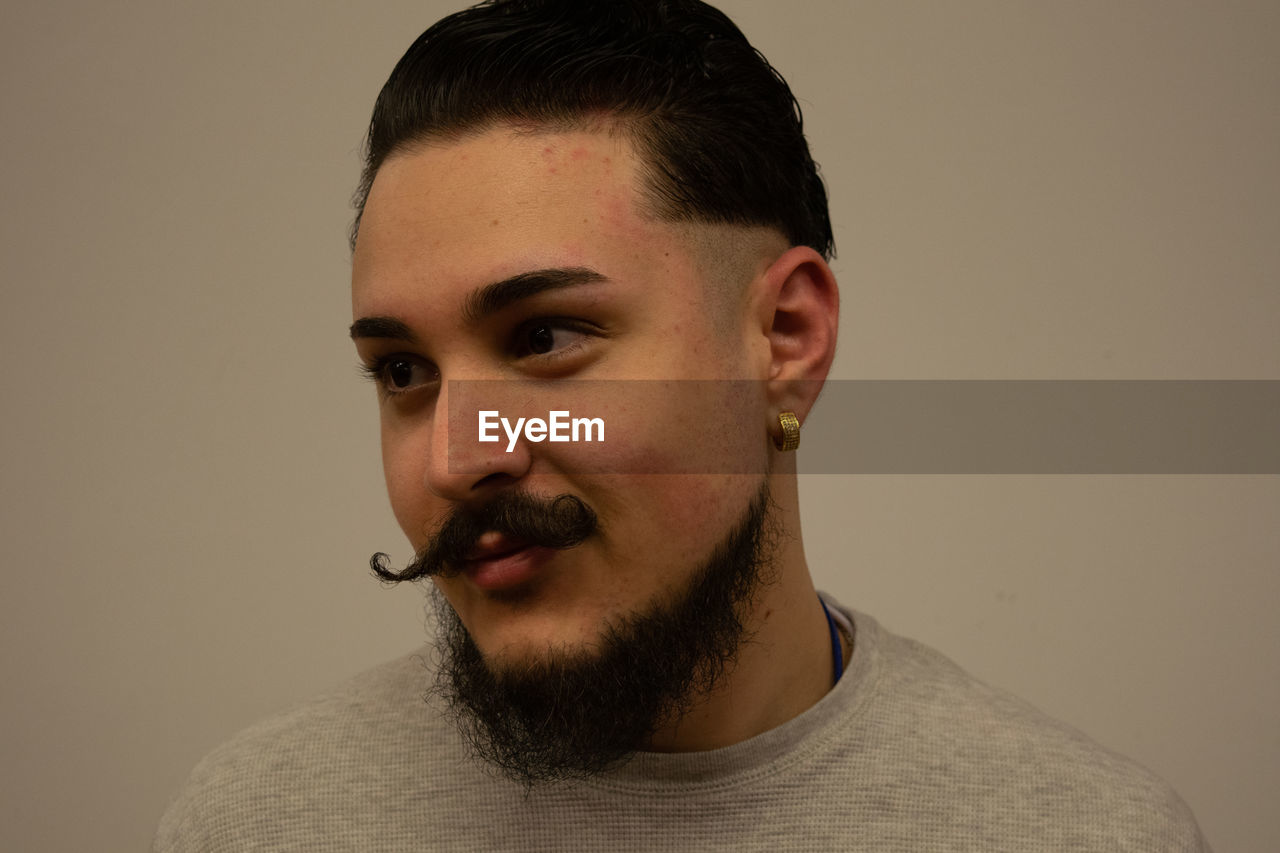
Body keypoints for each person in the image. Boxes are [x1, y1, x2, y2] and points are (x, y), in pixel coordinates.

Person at [155, 1, 1211, 849]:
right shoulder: (257, 821)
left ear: (784, 339)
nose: (459, 455)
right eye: (401, 370)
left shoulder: (1079, 832)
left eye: (544, 338)